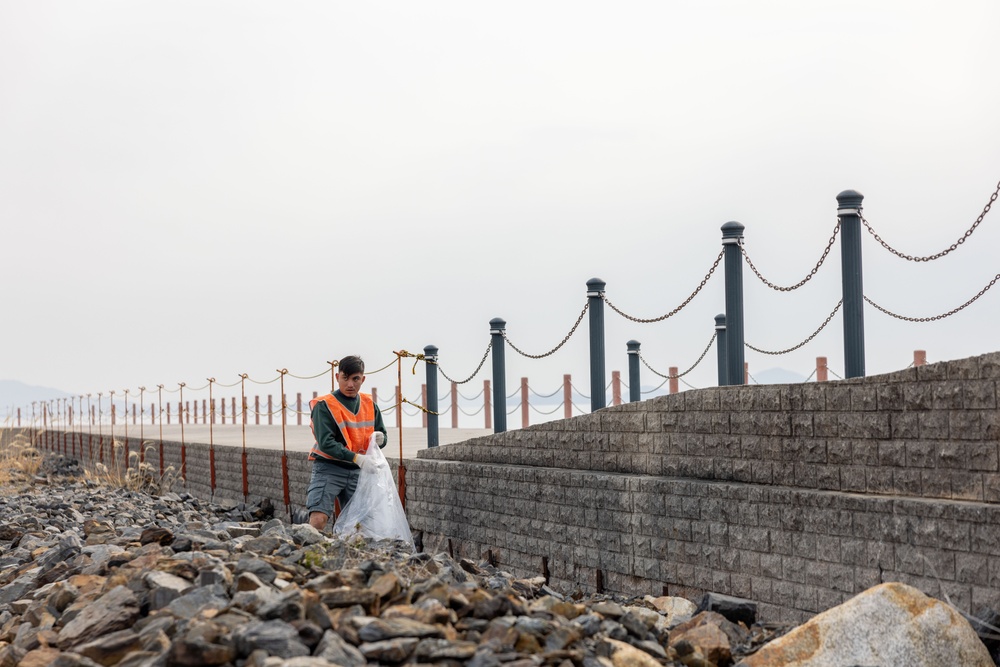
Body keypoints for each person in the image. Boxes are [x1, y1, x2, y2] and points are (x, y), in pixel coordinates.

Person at [307, 355, 388, 532]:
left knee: (363, 526)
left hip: (358, 471)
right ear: (337, 377)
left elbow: (382, 435)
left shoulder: (369, 404)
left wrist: (380, 439)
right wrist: (358, 458)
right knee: (318, 519)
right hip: (329, 467)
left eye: (355, 379)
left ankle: (355, 557)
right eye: (345, 378)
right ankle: (308, 554)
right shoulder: (325, 405)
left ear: (363, 379)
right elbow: (326, 443)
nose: (350, 384)